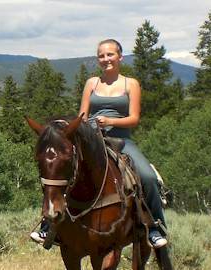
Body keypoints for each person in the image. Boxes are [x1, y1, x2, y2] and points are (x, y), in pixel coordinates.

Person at [29, 39, 168, 248]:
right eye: (101, 56)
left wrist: (111, 121)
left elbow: (134, 118)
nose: (106, 59)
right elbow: (82, 116)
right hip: (92, 139)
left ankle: (155, 227)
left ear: (120, 57)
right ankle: (49, 225)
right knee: (63, 172)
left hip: (121, 140)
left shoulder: (131, 84)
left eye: (110, 55)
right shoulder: (92, 83)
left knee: (147, 176)